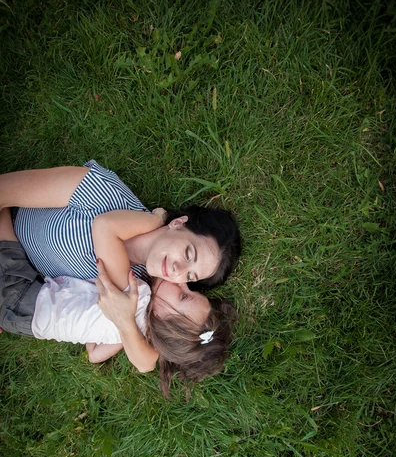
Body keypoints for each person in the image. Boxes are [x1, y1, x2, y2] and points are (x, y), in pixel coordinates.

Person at [0, 208, 236, 396]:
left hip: (22, 295)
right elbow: (93, 353)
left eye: (184, 295)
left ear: (162, 316)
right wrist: (123, 327)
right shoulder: (133, 333)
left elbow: (105, 226)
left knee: (4, 211)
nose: (183, 283)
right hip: (23, 320)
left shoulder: (135, 293)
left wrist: (157, 218)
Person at [0, 159, 241, 289]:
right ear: (178, 223)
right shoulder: (102, 193)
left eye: (190, 276)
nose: (178, 270)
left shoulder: (136, 287)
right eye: (189, 253)